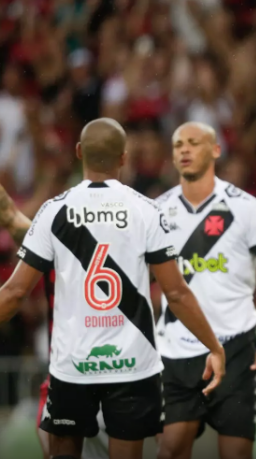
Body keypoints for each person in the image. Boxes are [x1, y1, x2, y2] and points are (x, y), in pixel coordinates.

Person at [0, 118, 226, 459]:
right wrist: (214, 346)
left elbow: (15, 293)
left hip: (74, 365)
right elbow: (176, 293)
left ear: (79, 153)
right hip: (133, 367)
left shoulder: (53, 212)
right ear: (124, 157)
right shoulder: (147, 212)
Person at [155, 122, 256, 459]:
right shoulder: (155, 211)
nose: (184, 150)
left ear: (216, 150)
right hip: (175, 351)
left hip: (235, 347)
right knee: (171, 449)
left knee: (235, 454)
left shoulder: (245, 208)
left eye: (193, 143)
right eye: (178, 145)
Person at [0, 182, 110, 459]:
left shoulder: (52, 243)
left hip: (69, 374)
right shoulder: (132, 247)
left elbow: (10, 216)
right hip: (120, 374)